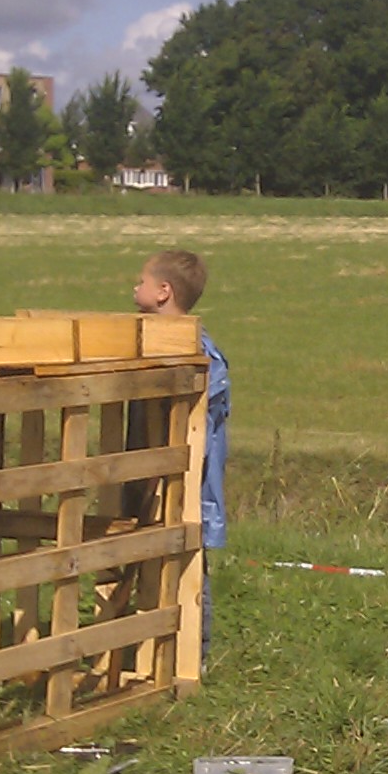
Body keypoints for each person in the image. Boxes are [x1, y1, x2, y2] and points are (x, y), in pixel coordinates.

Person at [134, 249, 228, 657]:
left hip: (187, 484)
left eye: (141, 281)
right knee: (145, 563)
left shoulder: (200, 354)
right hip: (146, 478)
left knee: (188, 569)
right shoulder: (144, 344)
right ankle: (146, 648)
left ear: (163, 291)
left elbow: (202, 429)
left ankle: (192, 655)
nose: (134, 288)